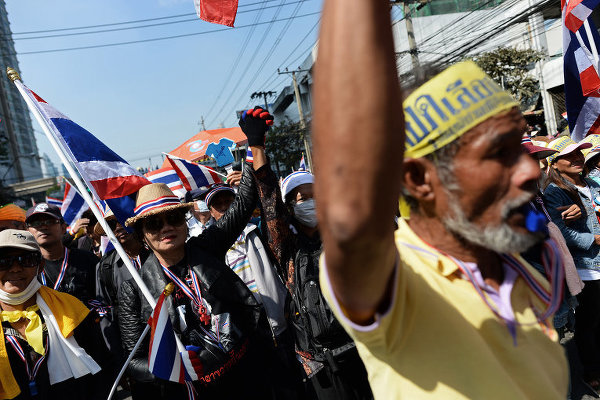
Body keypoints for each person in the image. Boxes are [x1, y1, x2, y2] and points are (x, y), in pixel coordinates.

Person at [312, 2, 568, 398]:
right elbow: (351, 213)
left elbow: (551, 228)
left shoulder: (511, 262)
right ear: (418, 179)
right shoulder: (397, 288)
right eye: (498, 153)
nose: (532, 170)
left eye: (520, 145)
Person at [117, 108, 277, 399]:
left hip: (245, 376)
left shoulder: (207, 246)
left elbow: (244, 201)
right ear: (142, 234)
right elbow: (133, 360)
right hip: (187, 391)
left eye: (174, 218)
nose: (166, 227)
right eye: (154, 223)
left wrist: (255, 143)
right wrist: (172, 366)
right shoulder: (134, 288)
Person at [255, 167, 373, 400]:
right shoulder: (286, 248)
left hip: (363, 348)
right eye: (301, 198)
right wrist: (258, 149)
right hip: (320, 361)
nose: (310, 202)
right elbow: (269, 203)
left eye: (314, 195)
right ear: (289, 206)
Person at [203, 179, 304, 399]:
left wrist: (257, 183)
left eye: (229, 200)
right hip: (245, 334)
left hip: (277, 323)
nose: (225, 207)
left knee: (293, 387)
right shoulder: (205, 249)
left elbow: (275, 213)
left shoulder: (257, 229)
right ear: (210, 211)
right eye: (218, 204)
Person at [0, 229, 110, 400]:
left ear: (41, 266)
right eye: (3, 261)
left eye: (26, 260)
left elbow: (101, 366)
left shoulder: (71, 308)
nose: (15, 268)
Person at [542, 136, 600, 390]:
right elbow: (560, 233)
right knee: (589, 322)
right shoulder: (555, 192)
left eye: (579, 154)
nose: (578, 159)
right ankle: (591, 372)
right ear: (554, 164)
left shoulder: (591, 183)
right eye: (570, 156)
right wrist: (594, 238)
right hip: (585, 267)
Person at [94, 212, 150, 365]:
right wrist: (118, 359)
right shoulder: (105, 267)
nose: (118, 227)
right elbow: (106, 315)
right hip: (135, 348)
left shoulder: (158, 252)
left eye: (122, 220)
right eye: (112, 225)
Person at [25, 203, 97, 306]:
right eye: (36, 223)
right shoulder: (26, 267)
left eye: (49, 221)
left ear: (63, 228)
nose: (43, 227)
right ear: (28, 231)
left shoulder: (87, 259)